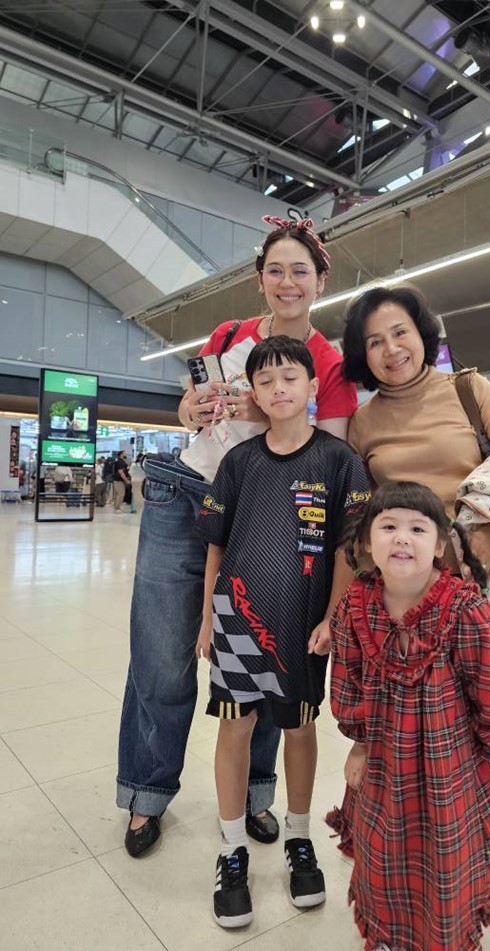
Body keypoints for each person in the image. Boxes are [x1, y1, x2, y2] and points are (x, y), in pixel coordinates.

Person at [116, 215, 357, 859]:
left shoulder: (330, 364)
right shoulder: (228, 335)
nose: (287, 282)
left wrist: (267, 408)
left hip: (266, 510)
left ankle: (256, 793)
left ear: (321, 280)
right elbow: (189, 410)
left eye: (300, 270)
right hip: (183, 492)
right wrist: (189, 409)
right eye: (275, 270)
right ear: (259, 281)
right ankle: (146, 792)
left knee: (270, 651)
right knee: (162, 655)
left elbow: (329, 450)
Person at [330, 481, 490, 951]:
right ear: (367, 540)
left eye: (417, 528)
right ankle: (389, 936)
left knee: (446, 866)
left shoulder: (466, 611)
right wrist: (360, 744)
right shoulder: (356, 604)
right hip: (386, 767)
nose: (402, 537)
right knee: (384, 854)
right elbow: (348, 682)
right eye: (388, 526)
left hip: (455, 775)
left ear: (439, 545)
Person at [195, 336, 369, 928]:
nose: (278, 389)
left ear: (313, 386)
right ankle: (231, 850)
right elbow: (216, 545)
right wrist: (207, 617)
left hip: (302, 629)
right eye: (265, 381)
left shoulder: (339, 461)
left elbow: (348, 547)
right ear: (253, 392)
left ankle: (299, 837)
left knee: (298, 728)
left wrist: (333, 615)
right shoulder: (238, 462)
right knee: (234, 728)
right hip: (237, 622)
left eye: (290, 378)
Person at [341, 283, 490, 575]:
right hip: (406, 582)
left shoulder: (468, 390)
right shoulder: (361, 421)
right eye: (375, 342)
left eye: (400, 332)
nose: (391, 349)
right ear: (363, 355)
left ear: (421, 333)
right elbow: (363, 509)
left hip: (488, 574)